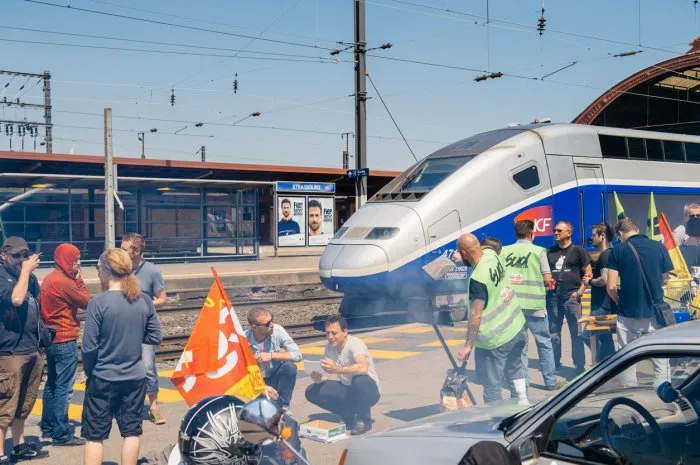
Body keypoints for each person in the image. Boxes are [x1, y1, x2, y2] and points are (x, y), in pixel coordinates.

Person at [81, 248, 162, 465]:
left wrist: (91, 371)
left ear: (107, 271)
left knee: (94, 435)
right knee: (131, 432)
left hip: (103, 378)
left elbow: (88, 348)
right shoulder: (144, 300)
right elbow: (155, 336)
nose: (98, 272)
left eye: (99, 268)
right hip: (135, 378)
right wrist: (133, 336)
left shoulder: (98, 303)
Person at [454, 233, 529, 405]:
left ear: (464, 253)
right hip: (517, 327)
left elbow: (475, 314)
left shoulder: (478, 278)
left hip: (495, 340)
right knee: (516, 374)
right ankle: (522, 409)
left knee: (492, 386)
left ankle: (496, 421)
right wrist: (462, 254)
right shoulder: (491, 254)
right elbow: (486, 247)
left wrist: (467, 346)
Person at [607, 218, 672, 387]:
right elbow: (665, 280)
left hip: (628, 312)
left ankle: (632, 396)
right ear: (637, 229)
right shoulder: (659, 247)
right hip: (655, 311)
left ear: (620, 233)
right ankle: (662, 396)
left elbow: (611, 286)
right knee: (661, 359)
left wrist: (619, 300)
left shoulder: (617, 251)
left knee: (627, 358)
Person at [0, 237, 48, 464]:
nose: (21, 260)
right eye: (16, 255)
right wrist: (25, 273)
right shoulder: (2, 277)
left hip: (32, 348)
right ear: (4, 255)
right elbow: (16, 299)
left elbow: (36, 308)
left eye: (24, 255)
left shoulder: (31, 279)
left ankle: (18, 446)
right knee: (5, 406)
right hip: (9, 353)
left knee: (23, 405)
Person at [39, 243, 91, 446]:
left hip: (50, 338)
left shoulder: (50, 278)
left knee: (51, 384)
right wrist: (79, 280)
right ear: (65, 260)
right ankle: (61, 433)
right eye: (75, 259)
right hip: (65, 338)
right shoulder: (65, 282)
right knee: (63, 386)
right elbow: (86, 301)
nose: (78, 263)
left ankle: (47, 426)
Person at [501, 220, 559, 391]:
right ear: (532, 233)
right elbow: (548, 279)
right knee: (544, 343)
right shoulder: (539, 251)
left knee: (520, 347)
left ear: (516, 233)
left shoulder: (504, 251)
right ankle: (550, 381)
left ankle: (523, 383)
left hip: (513, 306)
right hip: (535, 305)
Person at [305, 315, 380, 435]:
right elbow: (327, 374)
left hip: (368, 391)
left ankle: (364, 420)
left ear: (345, 332)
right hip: (348, 388)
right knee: (311, 391)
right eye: (327, 333)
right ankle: (347, 413)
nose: (330, 337)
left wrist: (337, 369)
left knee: (359, 380)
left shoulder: (355, 344)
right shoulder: (329, 347)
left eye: (334, 333)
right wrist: (319, 378)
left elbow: (362, 367)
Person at [121, 233, 167, 425]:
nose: (120, 252)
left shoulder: (152, 271)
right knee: (125, 365)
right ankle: (127, 405)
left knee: (148, 367)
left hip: (145, 327)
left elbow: (163, 298)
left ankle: (153, 406)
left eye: (124, 249)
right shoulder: (120, 270)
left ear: (137, 251)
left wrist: (144, 304)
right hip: (123, 326)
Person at [546, 220, 591, 375]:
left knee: (576, 333)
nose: (556, 233)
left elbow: (588, 273)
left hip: (571, 298)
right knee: (553, 333)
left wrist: (579, 292)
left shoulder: (579, 251)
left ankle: (579, 366)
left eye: (559, 231)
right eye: (555, 231)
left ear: (569, 233)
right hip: (553, 298)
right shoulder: (550, 251)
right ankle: (555, 364)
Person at [244, 307, 301, 409]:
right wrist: (262, 387)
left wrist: (271, 356)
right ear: (254, 327)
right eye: (267, 324)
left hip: (272, 376)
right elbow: (239, 373)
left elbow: (297, 355)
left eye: (272, 320)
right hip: (255, 383)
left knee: (289, 366)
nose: (272, 325)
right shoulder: (243, 340)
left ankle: (284, 407)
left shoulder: (277, 330)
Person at [582, 223, 617, 363]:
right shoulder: (611, 253)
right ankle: (612, 363)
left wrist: (589, 282)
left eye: (594, 235)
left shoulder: (605, 255)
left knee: (587, 334)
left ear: (602, 236)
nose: (591, 238)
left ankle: (604, 363)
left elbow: (604, 280)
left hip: (601, 304)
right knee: (604, 337)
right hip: (604, 303)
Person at [673, 202, 700, 269]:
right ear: (685, 217)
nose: (695, 218)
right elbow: (676, 253)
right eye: (692, 216)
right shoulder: (680, 231)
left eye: (698, 215)